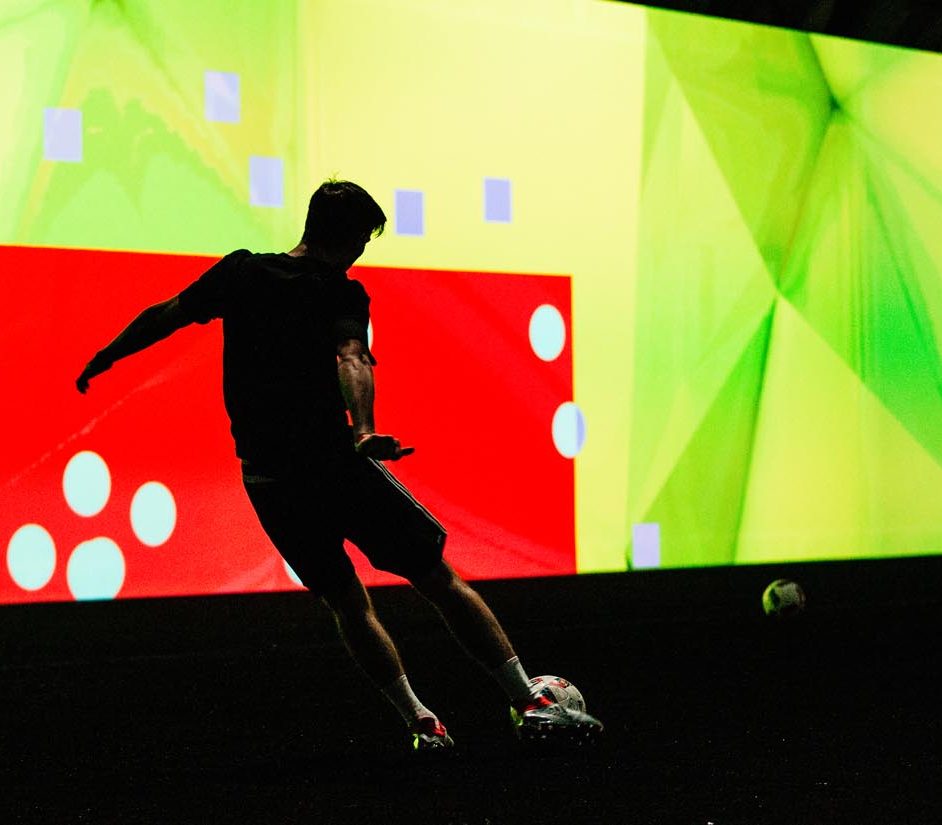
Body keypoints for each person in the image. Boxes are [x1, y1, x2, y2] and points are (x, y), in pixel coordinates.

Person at [75, 179, 602, 751]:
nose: (361, 252)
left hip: (269, 479)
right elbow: (352, 357)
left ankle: (421, 724)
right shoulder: (341, 291)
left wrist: (107, 355)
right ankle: (530, 700)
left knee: (347, 604)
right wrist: (364, 430)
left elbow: (167, 315)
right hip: (333, 467)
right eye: (363, 240)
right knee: (438, 578)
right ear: (348, 237)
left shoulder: (242, 271)